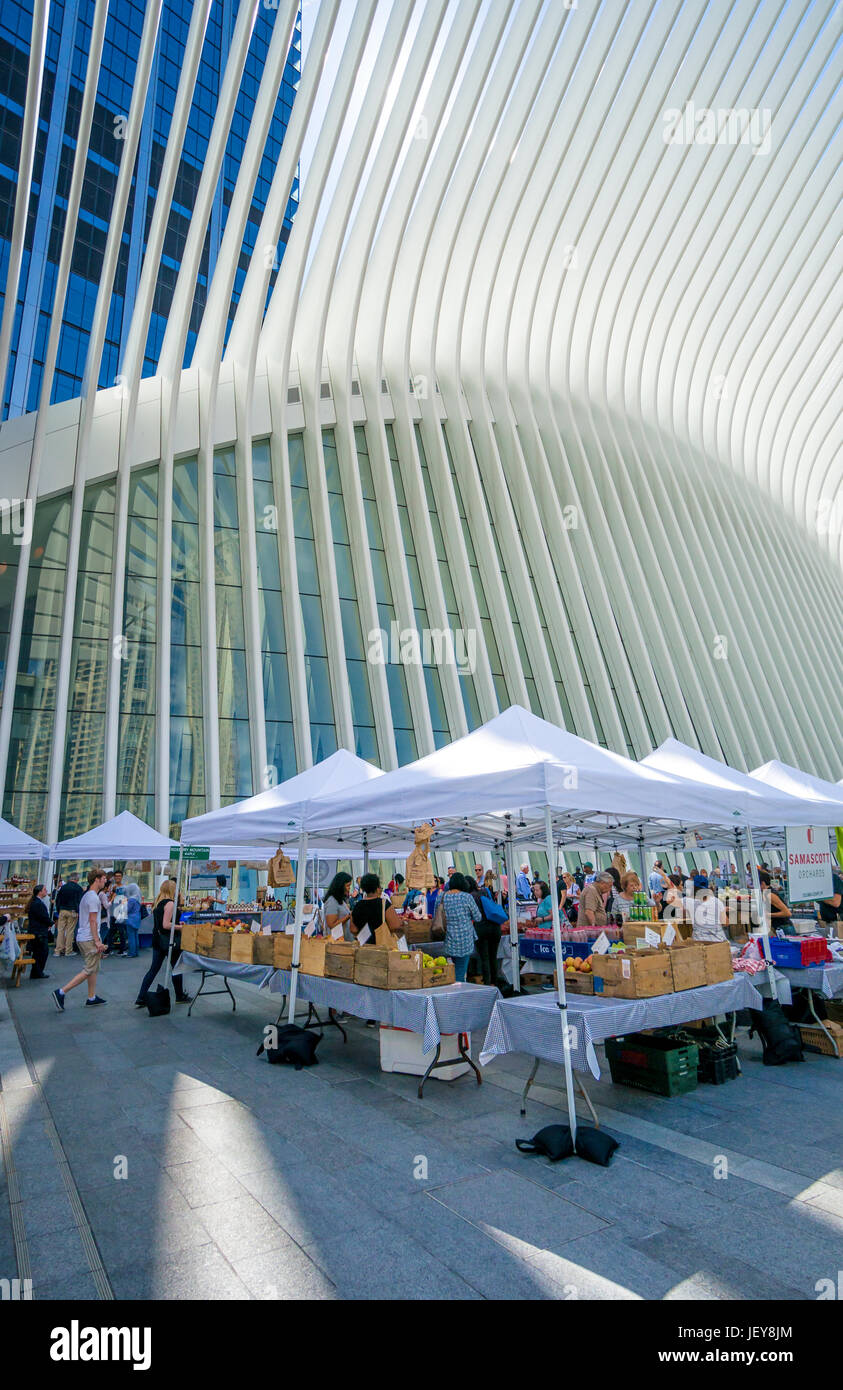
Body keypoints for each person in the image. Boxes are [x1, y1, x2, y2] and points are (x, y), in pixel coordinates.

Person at [52, 868, 108, 1010]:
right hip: (89, 938)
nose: (105, 881)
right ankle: (61, 992)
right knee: (89, 969)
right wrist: (97, 941)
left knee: (94, 968)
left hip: (84, 936)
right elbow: (93, 921)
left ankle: (91, 997)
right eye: (104, 878)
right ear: (97, 879)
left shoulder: (87, 895)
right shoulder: (93, 898)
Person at [135, 880, 191, 1007]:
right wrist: (180, 927)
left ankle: (141, 996)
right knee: (177, 967)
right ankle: (179, 995)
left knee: (153, 969)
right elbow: (166, 924)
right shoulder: (170, 904)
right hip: (169, 940)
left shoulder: (158, 903)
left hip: (158, 940)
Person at [442, 872, 481, 982]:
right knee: (460, 970)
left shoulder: (442, 896)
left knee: (451, 969)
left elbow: (437, 914)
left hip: (448, 937)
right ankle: (459, 993)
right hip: (465, 939)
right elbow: (478, 917)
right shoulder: (466, 897)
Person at [350, 872, 403, 942]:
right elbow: (395, 926)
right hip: (382, 945)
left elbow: (353, 929)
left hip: (364, 946)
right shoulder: (384, 904)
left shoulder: (357, 906)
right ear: (377, 887)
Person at [469, 879, 502, 988]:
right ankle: (495, 981)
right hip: (495, 926)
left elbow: (474, 915)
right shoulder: (486, 891)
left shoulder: (471, 896)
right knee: (493, 956)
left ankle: (487, 984)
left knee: (484, 957)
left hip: (481, 928)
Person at [684, 876, 729, 942]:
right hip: (717, 941)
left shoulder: (688, 901)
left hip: (699, 942)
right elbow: (725, 923)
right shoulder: (717, 902)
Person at [54, 871, 83, 956]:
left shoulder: (63, 887)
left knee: (60, 930)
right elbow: (79, 902)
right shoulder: (78, 888)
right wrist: (78, 911)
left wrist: (59, 909)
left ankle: (58, 950)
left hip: (62, 910)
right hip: (73, 911)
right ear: (77, 879)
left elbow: (58, 900)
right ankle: (68, 950)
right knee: (70, 931)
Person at [27, 884, 52, 980]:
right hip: (39, 931)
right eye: (44, 890)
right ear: (40, 892)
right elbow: (43, 917)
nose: (46, 891)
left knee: (39, 952)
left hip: (37, 930)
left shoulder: (36, 902)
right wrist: (50, 922)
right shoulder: (38, 904)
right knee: (42, 952)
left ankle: (36, 972)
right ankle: (37, 972)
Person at [323, 872, 353, 940]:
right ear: (341, 886)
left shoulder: (339, 900)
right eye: (348, 886)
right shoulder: (332, 901)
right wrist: (348, 916)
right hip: (337, 942)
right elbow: (332, 925)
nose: (349, 888)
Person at [124, 882, 143, 958]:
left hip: (130, 919)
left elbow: (127, 910)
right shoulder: (138, 899)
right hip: (137, 919)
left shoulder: (131, 900)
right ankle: (136, 952)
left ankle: (131, 953)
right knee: (135, 936)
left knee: (131, 937)